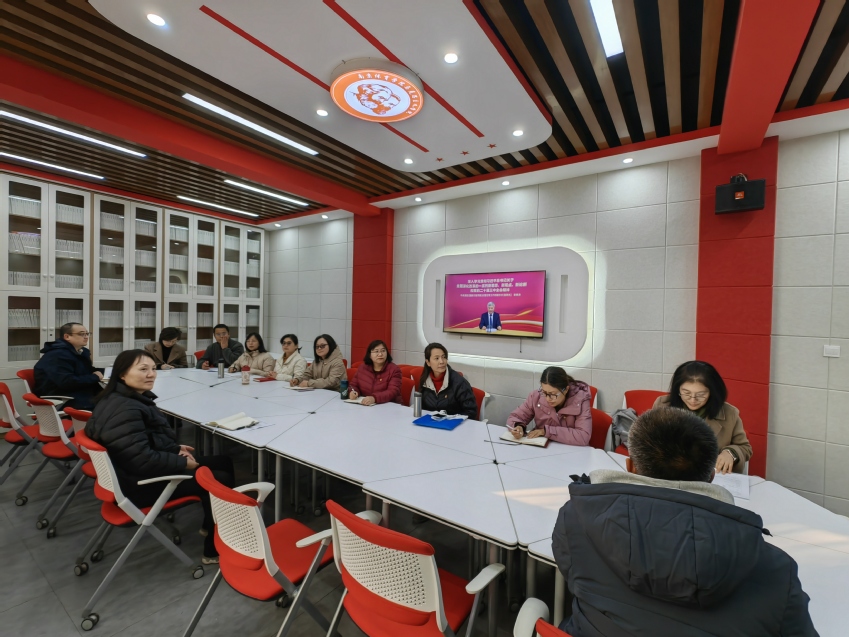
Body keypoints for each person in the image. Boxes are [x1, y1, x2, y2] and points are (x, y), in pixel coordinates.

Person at [551, 407, 817, 637]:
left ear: (631, 467)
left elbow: (575, 576)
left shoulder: (578, 518)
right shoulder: (773, 568)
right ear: (711, 476)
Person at [85, 349, 235, 564]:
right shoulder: (126, 408)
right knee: (220, 478)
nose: (151, 374)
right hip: (138, 485)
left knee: (223, 462)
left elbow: (138, 442)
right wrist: (183, 463)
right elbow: (142, 459)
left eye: (153, 369)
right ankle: (213, 550)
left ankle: (210, 525)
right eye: (143, 369)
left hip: (128, 473)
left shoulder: (118, 399)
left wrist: (174, 448)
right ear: (122, 374)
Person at [653, 360, 753, 474]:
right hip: (668, 473)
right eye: (686, 393)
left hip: (710, 476)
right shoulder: (662, 405)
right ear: (677, 389)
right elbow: (647, 439)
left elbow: (744, 447)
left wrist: (730, 453)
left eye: (701, 395)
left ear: (712, 392)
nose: (693, 400)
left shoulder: (730, 413)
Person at [506, 367, 591, 445]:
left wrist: (547, 431)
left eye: (553, 394)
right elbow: (515, 417)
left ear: (566, 390)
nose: (548, 398)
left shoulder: (581, 400)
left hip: (570, 450)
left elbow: (583, 436)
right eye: (544, 392)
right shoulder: (536, 396)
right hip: (541, 447)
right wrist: (519, 427)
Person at [34, 322, 104, 410]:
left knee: (113, 398)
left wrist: (108, 372)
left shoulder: (80, 352)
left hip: (77, 391)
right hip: (62, 397)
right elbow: (67, 382)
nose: (86, 337)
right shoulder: (58, 355)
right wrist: (95, 377)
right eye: (81, 334)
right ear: (67, 336)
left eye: (87, 334)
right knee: (111, 403)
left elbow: (86, 370)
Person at [418, 342, 477, 419]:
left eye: (444, 357)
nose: (441, 361)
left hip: (454, 424)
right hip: (431, 423)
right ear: (428, 362)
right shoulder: (425, 381)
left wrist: (450, 419)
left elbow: (471, 412)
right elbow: (422, 408)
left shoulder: (459, 383)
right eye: (437, 358)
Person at [349, 340, 402, 405]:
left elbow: (392, 392)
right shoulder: (362, 368)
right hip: (366, 405)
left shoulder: (394, 370)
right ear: (370, 355)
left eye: (383, 351)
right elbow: (353, 385)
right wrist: (353, 392)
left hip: (389, 406)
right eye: (376, 351)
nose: (380, 354)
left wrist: (374, 398)